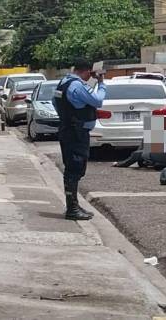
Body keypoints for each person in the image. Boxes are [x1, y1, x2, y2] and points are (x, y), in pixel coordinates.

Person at [53, 58, 106, 221]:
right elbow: (97, 100)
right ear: (87, 71)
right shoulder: (77, 85)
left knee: (73, 168)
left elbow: (54, 102)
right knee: (74, 169)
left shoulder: (64, 82)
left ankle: (74, 205)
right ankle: (72, 208)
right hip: (76, 133)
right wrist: (102, 84)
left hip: (69, 130)